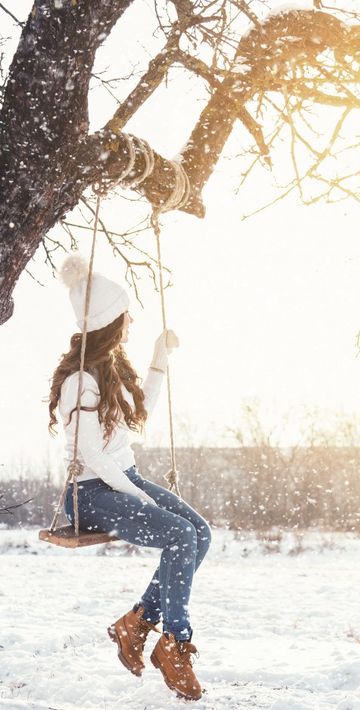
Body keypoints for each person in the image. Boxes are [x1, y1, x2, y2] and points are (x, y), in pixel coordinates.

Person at [48, 254, 211, 701]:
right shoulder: (79, 381)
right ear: (107, 323)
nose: (129, 322)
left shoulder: (111, 371)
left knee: (200, 532)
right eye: (122, 316)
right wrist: (138, 495)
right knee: (179, 536)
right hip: (90, 493)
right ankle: (174, 644)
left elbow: (141, 414)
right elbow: (92, 455)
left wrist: (160, 358)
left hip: (123, 479)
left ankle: (136, 622)